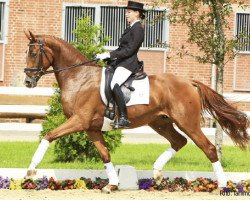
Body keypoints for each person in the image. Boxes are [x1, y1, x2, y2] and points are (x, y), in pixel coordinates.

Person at [96, 1, 146, 129]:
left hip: (129, 64)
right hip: (121, 62)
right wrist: (107, 56)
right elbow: (121, 48)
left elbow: (129, 50)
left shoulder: (138, 28)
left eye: (129, 12)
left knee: (114, 84)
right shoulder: (130, 27)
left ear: (137, 13)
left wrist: (110, 55)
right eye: (126, 12)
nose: (126, 14)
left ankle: (124, 117)